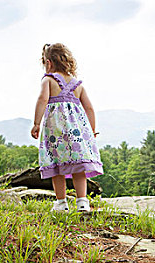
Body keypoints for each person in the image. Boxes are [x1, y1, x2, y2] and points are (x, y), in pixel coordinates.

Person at [31, 43, 103, 212]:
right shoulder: (78, 85)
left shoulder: (48, 80)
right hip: (77, 133)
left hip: (55, 131)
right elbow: (90, 108)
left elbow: (42, 100)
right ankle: (82, 202)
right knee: (78, 167)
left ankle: (62, 203)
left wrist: (36, 123)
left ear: (48, 63)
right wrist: (91, 131)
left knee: (57, 166)